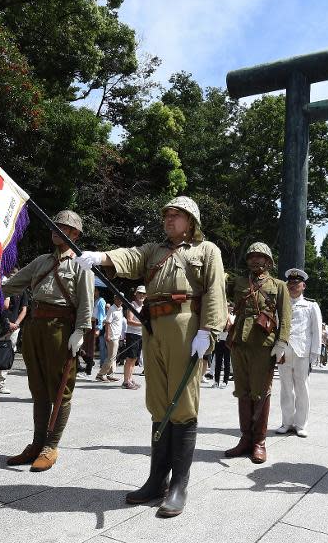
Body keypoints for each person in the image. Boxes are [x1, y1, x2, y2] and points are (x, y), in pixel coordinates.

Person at [76, 195, 226, 517]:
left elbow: (215, 291)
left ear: (191, 221)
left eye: (177, 215)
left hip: (187, 327)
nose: (169, 220)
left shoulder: (206, 251)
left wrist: (208, 331)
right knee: (159, 403)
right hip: (153, 327)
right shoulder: (153, 251)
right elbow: (129, 257)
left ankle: (178, 485)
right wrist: (100, 256)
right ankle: (157, 479)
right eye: (167, 215)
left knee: (182, 405)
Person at [1, 210, 93, 472]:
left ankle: (51, 446)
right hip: (35, 327)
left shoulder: (80, 264)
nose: (56, 230)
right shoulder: (41, 261)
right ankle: (36, 443)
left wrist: (80, 331)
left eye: (63, 227)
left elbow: (86, 301)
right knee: (38, 389)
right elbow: (12, 286)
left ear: (75, 234)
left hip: (61, 329)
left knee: (60, 391)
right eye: (55, 225)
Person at [224, 242, 291, 464]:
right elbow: (215, 288)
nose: (254, 260)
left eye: (260, 257)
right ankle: (245, 438)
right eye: (251, 256)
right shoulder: (239, 282)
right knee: (242, 391)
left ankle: (259, 442)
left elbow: (285, 316)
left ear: (268, 261)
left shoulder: (279, 285)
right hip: (239, 343)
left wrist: (281, 342)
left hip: (264, 344)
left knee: (261, 392)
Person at [276, 268, 321, 438]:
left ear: (303, 286)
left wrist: (315, 353)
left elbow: (316, 330)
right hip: (284, 351)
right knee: (286, 388)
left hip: (302, 351)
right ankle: (286, 422)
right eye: (290, 284)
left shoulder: (311, 305)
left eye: (296, 284)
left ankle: (301, 424)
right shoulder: (281, 304)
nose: (293, 286)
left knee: (302, 388)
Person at [122, 286, 145, 390]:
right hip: (132, 334)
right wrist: (143, 324)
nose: (142, 295)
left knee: (135, 359)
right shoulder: (132, 305)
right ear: (135, 294)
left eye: (144, 294)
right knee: (130, 358)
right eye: (140, 293)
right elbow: (129, 320)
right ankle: (126, 381)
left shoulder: (144, 306)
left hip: (140, 335)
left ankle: (130, 379)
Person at [98, 294, 123, 382]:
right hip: (111, 336)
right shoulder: (112, 309)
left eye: (121, 299)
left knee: (114, 356)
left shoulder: (120, 309)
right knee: (111, 357)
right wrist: (108, 335)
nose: (120, 301)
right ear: (114, 299)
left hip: (116, 335)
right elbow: (107, 322)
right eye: (118, 299)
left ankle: (110, 374)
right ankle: (101, 374)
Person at [213, 304, 235, 388]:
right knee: (218, 362)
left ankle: (225, 381)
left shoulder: (232, 317)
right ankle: (216, 381)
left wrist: (228, 317)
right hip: (219, 340)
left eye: (228, 307)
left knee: (227, 362)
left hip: (227, 341)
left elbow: (231, 326)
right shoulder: (220, 317)